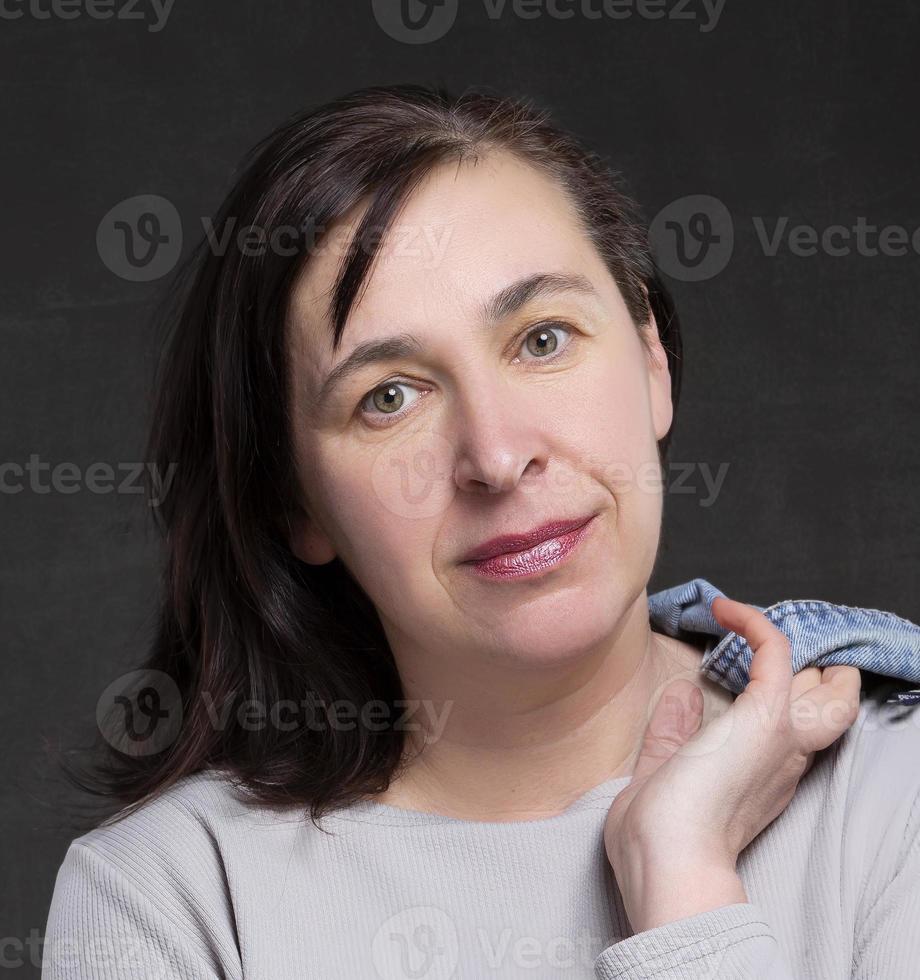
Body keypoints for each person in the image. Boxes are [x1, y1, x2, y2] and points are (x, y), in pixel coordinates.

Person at [43, 84, 920, 978]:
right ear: (293, 503)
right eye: (389, 397)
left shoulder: (895, 794)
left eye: (543, 339)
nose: (497, 457)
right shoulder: (166, 901)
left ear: (651, 358)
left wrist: (683, 880)